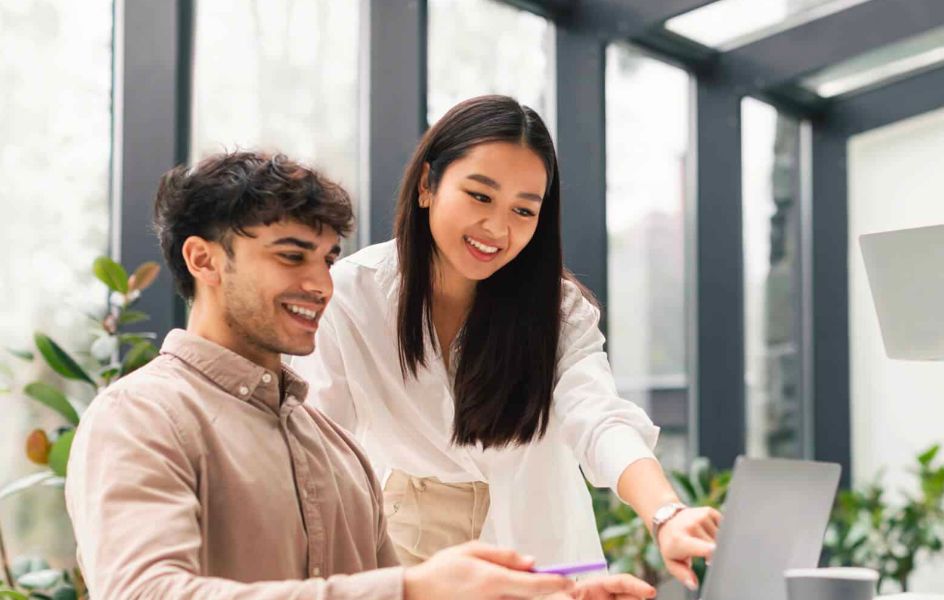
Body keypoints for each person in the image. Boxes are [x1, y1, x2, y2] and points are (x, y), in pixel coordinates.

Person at [64, 151, 655, 600]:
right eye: (291, 256)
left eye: (327, 259)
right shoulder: (140, 418)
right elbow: (145, 593)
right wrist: (411, 587)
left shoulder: (335, 448)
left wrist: (559, 594)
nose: (321, 284)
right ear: (203, 259)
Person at [288, 95, 722, 590]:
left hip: (542, 559)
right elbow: (321, 449)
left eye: (523, 209)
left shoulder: (557, 311)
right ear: (427, 185)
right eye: (479, 196)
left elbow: (599, 417)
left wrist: (665, 514)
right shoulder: (351, 295)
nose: (498, 228)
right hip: (412, 559)